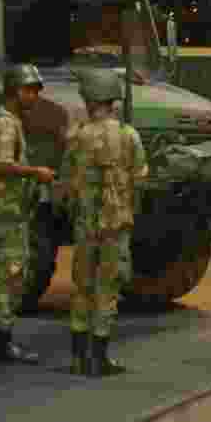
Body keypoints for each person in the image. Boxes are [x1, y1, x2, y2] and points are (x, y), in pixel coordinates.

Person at [61, 69, 147, 376]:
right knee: (108, 288)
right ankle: (99, 358)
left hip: (85, 224)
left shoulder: (77, 137)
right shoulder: (128, 136)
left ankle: (77, 357)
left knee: (82, 287)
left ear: (89, 99)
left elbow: (66, 184)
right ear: (113, 99)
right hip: (116, 224)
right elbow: (140, 179)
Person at [0, 64, 56, 364]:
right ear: (14, 90)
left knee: (7, 272)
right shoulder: (6, 124)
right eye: (30, 90)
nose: (34, 96)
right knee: (7, 273)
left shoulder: (10, 121)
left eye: (36, 90)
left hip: (9, 208)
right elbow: (2, 163)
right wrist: (36, 172)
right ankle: (0, 341)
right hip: (5, 209)